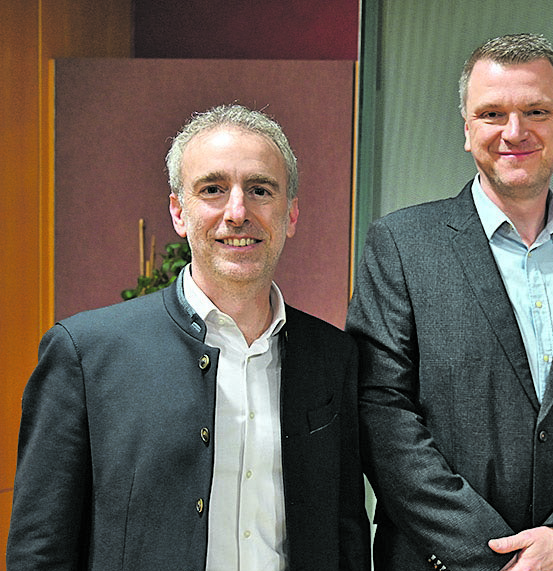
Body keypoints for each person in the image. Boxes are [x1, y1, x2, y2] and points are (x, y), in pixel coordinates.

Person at [7, 104, 370, 570]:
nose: (237, 213)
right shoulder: (86, 354)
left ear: (291, 214)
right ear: (179, 212)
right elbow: (40, 550)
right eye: (213, 189)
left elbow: (347, 536)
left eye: (260, 190)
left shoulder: (332, 357)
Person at [346, 33, 553, 571]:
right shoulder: (400, 245)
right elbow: (382, 413)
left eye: (536, 111)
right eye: (492, 114)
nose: (515, 132)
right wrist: (494, 557)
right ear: (467, 130)